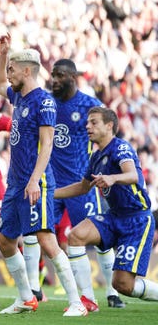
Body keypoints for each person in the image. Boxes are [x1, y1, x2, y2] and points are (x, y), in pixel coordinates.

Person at [0, 33, 86, 316]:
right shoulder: (18, 96)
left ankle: (77, 303)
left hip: (37, 181)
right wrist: (3, 54)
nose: (8, 75)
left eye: (12, 69)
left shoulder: (43, 102)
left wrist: (35, 180)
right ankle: (26, 298)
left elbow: (47, 144)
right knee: (5, 241)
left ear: (27, 70)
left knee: (46, 239)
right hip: (15, 183)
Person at [42, 59, 123, 309]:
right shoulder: (46, 103)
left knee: (97, 237)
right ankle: (35, 289)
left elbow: (110, 135)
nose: (54, 80)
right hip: (53, 183)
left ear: (73, 77)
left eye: (60, 75)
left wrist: (108, 169)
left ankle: (112, 292)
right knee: (39, 231)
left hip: (82, 183)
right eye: (52, 75)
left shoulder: (90, 105)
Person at [56, 107, 158, 304]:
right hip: (114, 216)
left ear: (109, 125)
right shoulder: (96, 157)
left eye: (93, 122)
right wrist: (49, 194)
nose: (87, 126)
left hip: (137, 219)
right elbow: (83, 187)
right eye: (87, 122)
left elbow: (133, 175)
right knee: (76, 236)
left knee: (123, 285)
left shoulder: (121, 148)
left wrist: (112, 178)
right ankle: (88, 300)